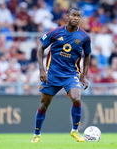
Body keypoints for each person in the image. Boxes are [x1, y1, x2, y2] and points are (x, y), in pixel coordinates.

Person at [30, 7, 91, 143]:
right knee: (43, 105)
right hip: (52, 74)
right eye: (73, 15)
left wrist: (84, 76)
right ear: (68, 16)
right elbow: (40, 47)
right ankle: (37, 134)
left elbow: (87, 55)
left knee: (76, 98)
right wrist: (41, 70)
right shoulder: (56, 32)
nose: (76, 18)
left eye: (78, 16)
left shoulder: (84, 36)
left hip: (71, 74)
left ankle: (75, 130)